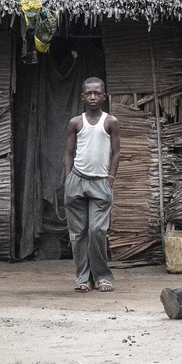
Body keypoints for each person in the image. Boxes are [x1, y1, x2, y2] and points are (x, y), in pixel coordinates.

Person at [63, 77, 122, 292]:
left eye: (97, 93)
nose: (93, 97)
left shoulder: (110, 122)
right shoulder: (76, 123)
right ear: (82, 97)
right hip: (77, 180)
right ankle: (82, 278)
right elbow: (68, 153)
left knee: (97, 230)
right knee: (78, 233)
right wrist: (68, 179)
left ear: (104, 96)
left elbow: (116, 153)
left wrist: (111, 179)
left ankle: (102, 276)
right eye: (89, 93)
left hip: (100, 182)